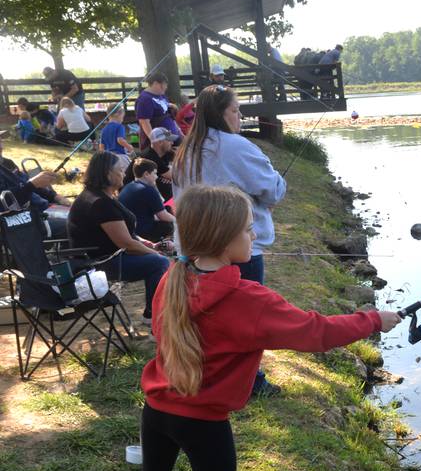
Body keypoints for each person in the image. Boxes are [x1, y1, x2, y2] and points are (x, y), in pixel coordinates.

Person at [85, 183, 401, 471]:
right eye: (248, 230)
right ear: (223, 238)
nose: (254, 237)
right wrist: (374, 319)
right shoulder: (248, 301)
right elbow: (316, 332)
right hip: (205, 423)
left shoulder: (172, 277)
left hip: (157, 409)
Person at [172, 84, 286, 397]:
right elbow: (273, 190)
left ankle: (206, 375)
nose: (240, 116)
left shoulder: (187, 148)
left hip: (193, 249)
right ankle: (251, 382)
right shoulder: (235, 146)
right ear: (221, 114)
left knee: (206, 320)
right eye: (235, 110)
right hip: (236, 249)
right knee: (247, 318)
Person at [67, 152, 171, 325]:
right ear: (108, 173)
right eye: (120, 170)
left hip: (107, 256)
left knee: (158, 259)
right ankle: (153, 316)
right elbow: (126, 244)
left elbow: (128, 234)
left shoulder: (102, 196)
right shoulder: (99, 203)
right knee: (159, 263)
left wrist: (150, 245)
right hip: (98, 263)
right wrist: (156, 253)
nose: (124, 173)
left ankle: (155, 313)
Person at [0, 130, 66, 209]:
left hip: (42, 208)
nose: (1, 147)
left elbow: (26, 182)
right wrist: (31, 185)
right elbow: (4, 203)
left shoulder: (8, 163)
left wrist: (55, 196)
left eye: (0, 141)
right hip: (22, 216)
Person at [119, 158, 175, 242]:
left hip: (129, 229)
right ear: (146, 174)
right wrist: (179, 221)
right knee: (169, 225)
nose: (156, 177)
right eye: (155, 173)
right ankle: (164, 244)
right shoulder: (148, 190)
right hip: (143, 231)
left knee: (166, 209)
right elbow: (162, 215)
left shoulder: (128, 186)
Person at [123, 127, 176, 201]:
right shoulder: (150, 156)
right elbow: (176, 176)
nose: (172, 143)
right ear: (160, 142)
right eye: (169, 140)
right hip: (131, 193)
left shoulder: (163, 153)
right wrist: (169, 176)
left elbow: (171, 175)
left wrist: (168, 176)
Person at [135, 72, 182, 151]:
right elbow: (144, 122)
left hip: (172, 136)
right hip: (161, 142)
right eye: (164, 84)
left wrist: (179, 130)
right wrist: (155, 141)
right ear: (156, 83)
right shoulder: (145, 99)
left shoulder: (161, 95)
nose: (166, 87)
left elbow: (168, 114)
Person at [99, 104, 135, 169]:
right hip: (120, 156)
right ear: (117, 114)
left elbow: (101, 147)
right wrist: (129, 147)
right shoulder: (119, 126)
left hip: (108, 158)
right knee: (127, 174)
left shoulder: (104, 129)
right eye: (122, 117)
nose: (122, 120)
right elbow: (120, 140)